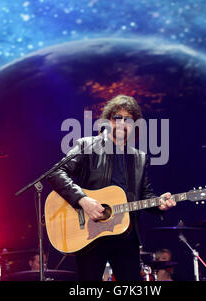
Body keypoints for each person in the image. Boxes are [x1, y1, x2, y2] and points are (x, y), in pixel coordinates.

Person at [47, 94, 176, 281]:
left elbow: (145, 194)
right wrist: (83, 200)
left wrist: (159, 204)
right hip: (90, 236)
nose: (123, 123)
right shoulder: (87, 146)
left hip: (126, 236)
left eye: (129, 119)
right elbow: (55, 173)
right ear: (108, 121)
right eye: (118, 118)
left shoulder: (140, 157)